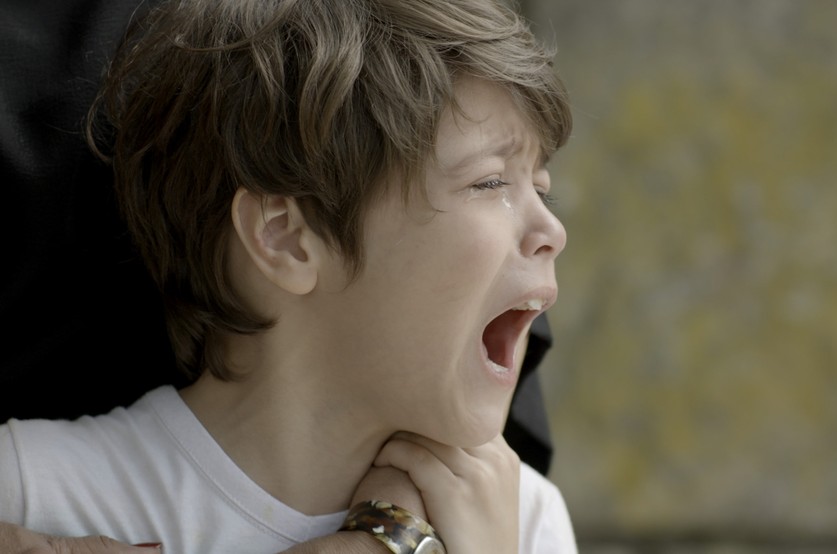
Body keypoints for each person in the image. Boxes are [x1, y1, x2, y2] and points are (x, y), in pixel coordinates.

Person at [0, 0, 577, 552]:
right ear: (286, 238)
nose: (552, 229)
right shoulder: (31, 488)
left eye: (541, 188)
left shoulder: (524, 519)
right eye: (491, 182)